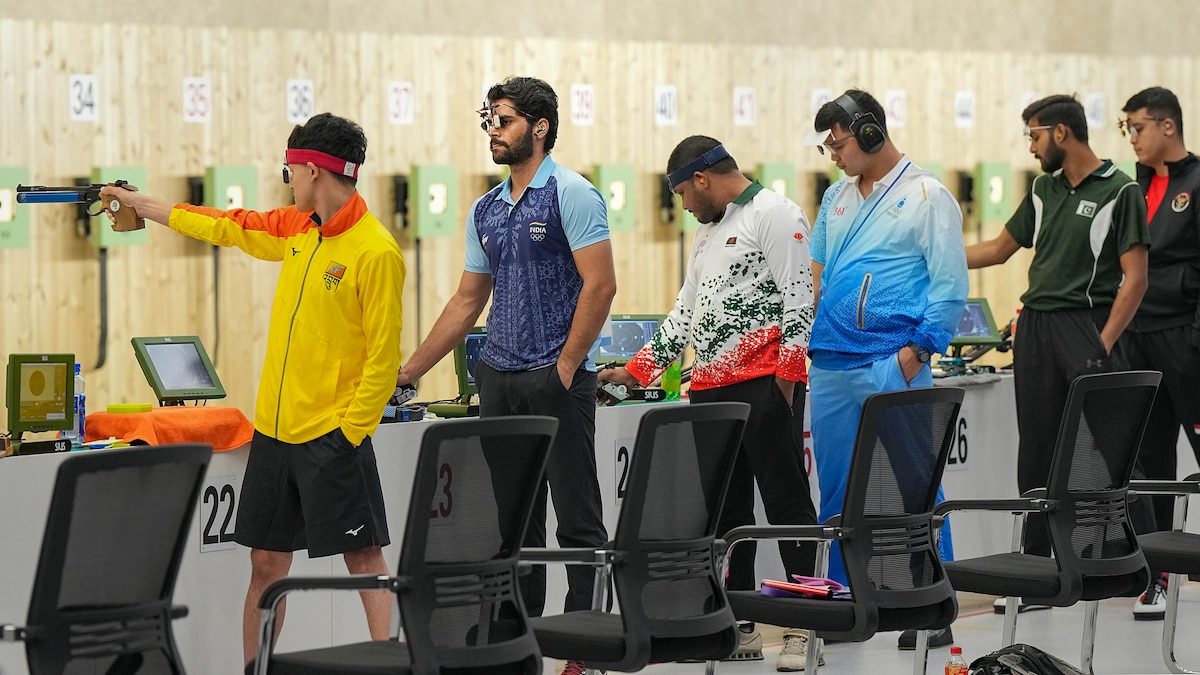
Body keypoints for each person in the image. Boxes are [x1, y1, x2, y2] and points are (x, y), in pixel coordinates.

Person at [101, 113, 405, 664]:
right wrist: (145, 206)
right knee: (266, 565)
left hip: (333, 435)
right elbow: (227, 224)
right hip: (274, 432)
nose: (286, 178)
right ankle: (255, 667)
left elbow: (384, 360)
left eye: (289, 168)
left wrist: (350, 431)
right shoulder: (296, 226)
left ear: (314, 169)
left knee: (364, 559)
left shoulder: (375, 251)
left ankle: (388, 660)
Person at [394, 76, 614, 675]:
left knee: (576, 520)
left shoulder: (573, 194)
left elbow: (601, 285)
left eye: (505, 119)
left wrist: (567, 366)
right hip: (498, 377)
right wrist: (409, 371)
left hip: (556, 380)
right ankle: (518, 645)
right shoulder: (485, 209)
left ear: (539, 127)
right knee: (511, 524)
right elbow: (467, 302)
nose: (493, 129)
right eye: (488, 118)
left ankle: (581, 651)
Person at [599, 135, 822, 671]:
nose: (682, 205)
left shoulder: (776, 213)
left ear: (701, 179)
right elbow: (683, 316)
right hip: (710, 388)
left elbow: (800, 299)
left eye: (682, 192)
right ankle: (742, 621)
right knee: (727, 512)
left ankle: (803, 623)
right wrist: (634, 373)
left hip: (767, 385)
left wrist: (785, 386)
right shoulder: (706, 233)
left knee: (787, 506)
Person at [966, 94, 1150, 609]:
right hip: (1037, 328)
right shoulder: (1043, 189)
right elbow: (999, 249)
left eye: (1034, 134)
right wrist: (932, 257)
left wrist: (1104, 341)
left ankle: (1143, 567)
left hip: (1086, 327)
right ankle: (1036, 572)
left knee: (1110, 454)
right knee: (1037, 451)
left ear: (1062, 133)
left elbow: (1135, 278)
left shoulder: (1122, 190)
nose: (1030, 145)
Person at [805, 89, 968, 650]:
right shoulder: (835, 198)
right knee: (836, 491)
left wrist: (917, 353)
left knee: (912, 485)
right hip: (830, 362)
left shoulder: (928, 195)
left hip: (889, 362)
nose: (834, 154)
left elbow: (950, 289)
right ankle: (848, 601)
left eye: (841, 142)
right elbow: (818, 273)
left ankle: (933, 598)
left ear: (870, 132)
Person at [1118, 86, 1200, 620]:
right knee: (1149, 465)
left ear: (1167, 127)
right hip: (1140, 339)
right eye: (1126, 129)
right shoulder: (1135, 187)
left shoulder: (1198, 181)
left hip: (1187, 338)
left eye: (1138, 127)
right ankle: (1158, 576)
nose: (1132, 138)